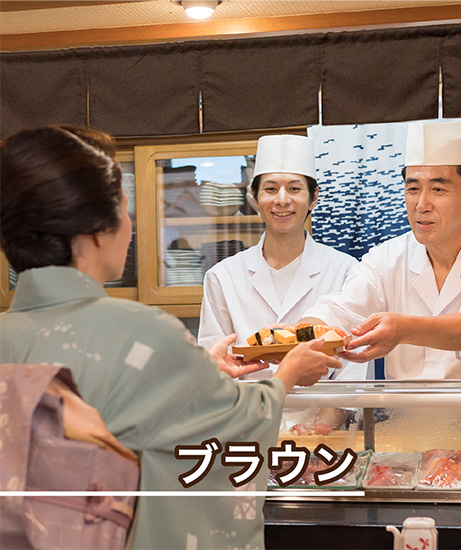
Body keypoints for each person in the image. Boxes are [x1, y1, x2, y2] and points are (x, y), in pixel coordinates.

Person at [0, 125, 342, 550]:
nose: (130, 225)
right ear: (95, 229)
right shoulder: (144, 333)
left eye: (294, 188)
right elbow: (232, 428)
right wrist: (285, 376)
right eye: (125, 210)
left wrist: (200, 372)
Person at [301, 121, 461, 379]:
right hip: (404, 419)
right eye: (413, 189)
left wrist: (404, 329)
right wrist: (297, 335)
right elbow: (342, 310)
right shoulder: (386, 257)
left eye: (438, 189)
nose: (422, 204)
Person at [198, 134, 371, 381]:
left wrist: (323, 422)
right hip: (249, 415)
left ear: (314, 198)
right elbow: (214, 369)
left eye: (294, 189)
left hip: (322, 414)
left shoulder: (346, 271)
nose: (281, 200)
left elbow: (353, 370)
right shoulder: (222, 277)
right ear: (254, 197)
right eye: (270, 189)